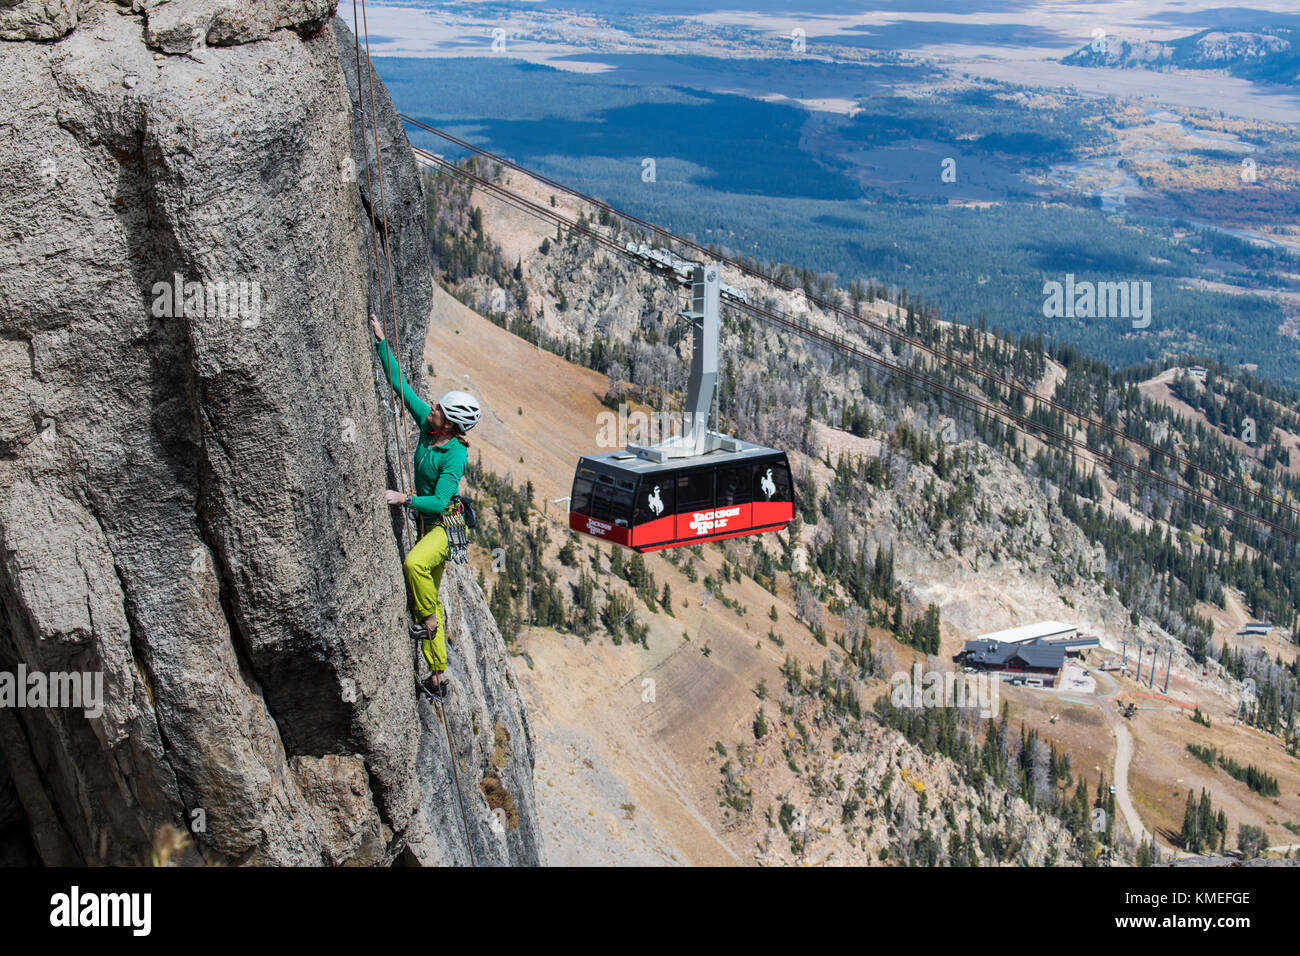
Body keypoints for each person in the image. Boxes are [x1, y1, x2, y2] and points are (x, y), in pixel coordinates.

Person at [370, 314, 481, 698]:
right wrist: (382, 341)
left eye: (438, 408)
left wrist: (405, 499)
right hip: (428, 522)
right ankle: (437, 678)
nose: (431, 405)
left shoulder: (454, 456)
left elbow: (440, 499)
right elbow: (401, 388)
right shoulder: (425, 426)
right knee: (426, 594)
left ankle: (430, 623)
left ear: (449, 424)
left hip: (443, 529)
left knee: (415, 566)